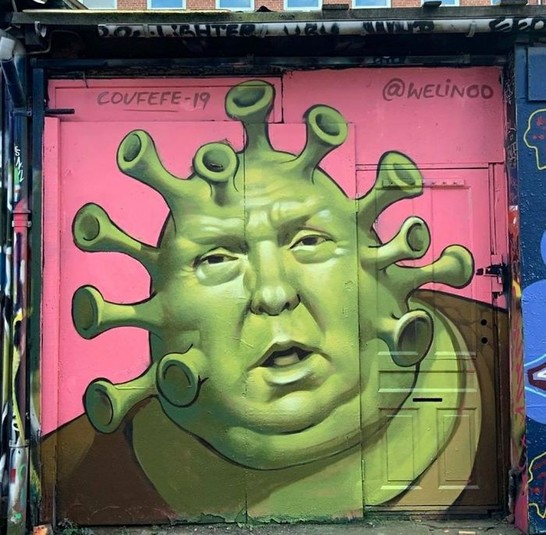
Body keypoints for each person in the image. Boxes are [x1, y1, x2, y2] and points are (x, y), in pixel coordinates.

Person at [42, 80, 500, 525]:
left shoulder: (500, 365)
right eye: (217, 258)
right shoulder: (82, 468)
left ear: (369, 251)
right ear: (164, 306)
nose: (274, 294)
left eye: (308, 241)